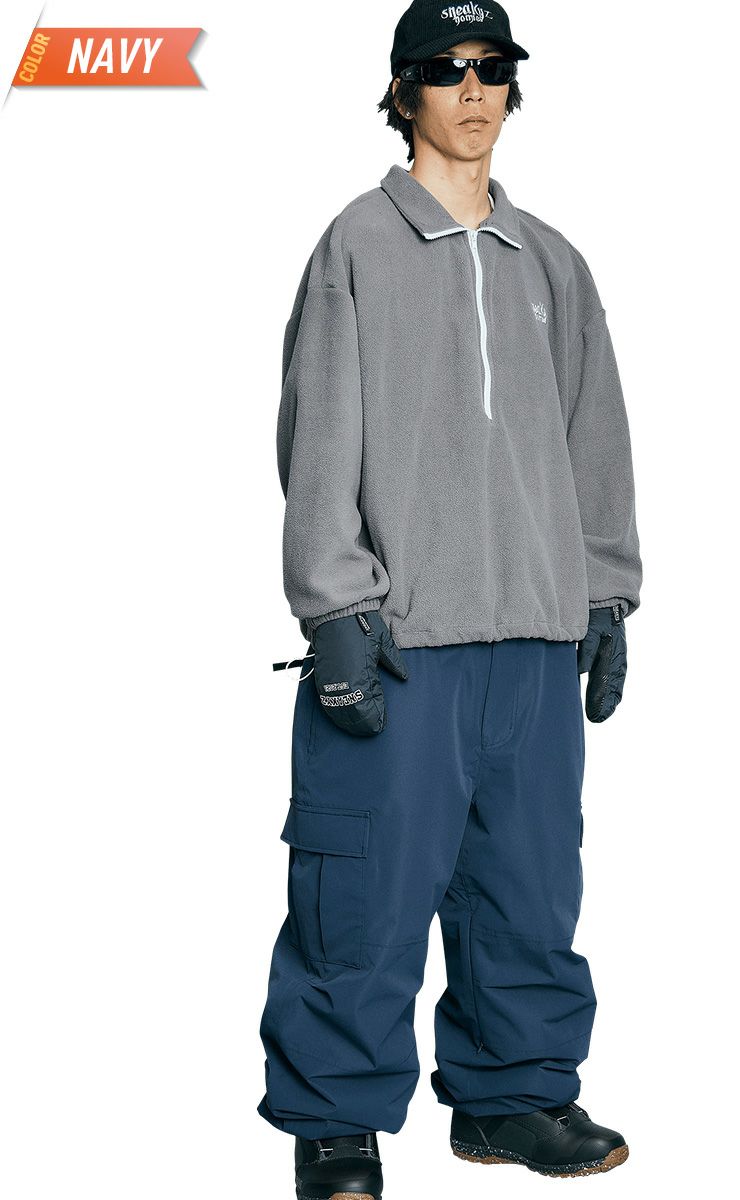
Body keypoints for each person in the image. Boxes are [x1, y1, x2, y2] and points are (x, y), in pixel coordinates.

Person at [257, 1, 643, 1194]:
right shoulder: (356, 247)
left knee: (526, 887)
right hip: (401, 641)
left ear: (511, 87)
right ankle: (336, 1125)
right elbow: (317, 437)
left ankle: (511, 1096)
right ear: (401, 90)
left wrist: (603, 595)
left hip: (531, 641)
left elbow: (592, 440)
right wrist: (334, 608)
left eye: (490, 67)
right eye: (443, 68)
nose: (470, 88)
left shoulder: (552, 263)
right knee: (361, 893)